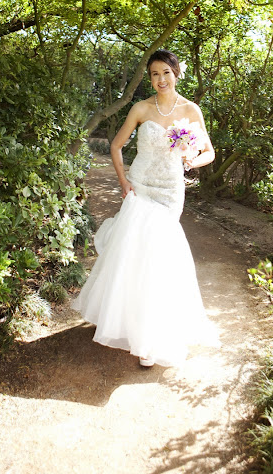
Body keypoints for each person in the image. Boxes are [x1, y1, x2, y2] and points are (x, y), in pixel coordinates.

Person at [73, 49, 219, 368]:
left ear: (177, 73)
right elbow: (116, 145)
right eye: (154, 74)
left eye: (166, 72)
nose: (161, 79)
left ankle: (151, 336)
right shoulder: (141, 108)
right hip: (140, 187)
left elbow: (209, 151)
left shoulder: (190, 110)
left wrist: (194, 159)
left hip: (169, 191)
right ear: (149, 78)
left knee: (159, 258)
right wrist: (124, 181)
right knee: (134, 254)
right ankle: (129, 325)